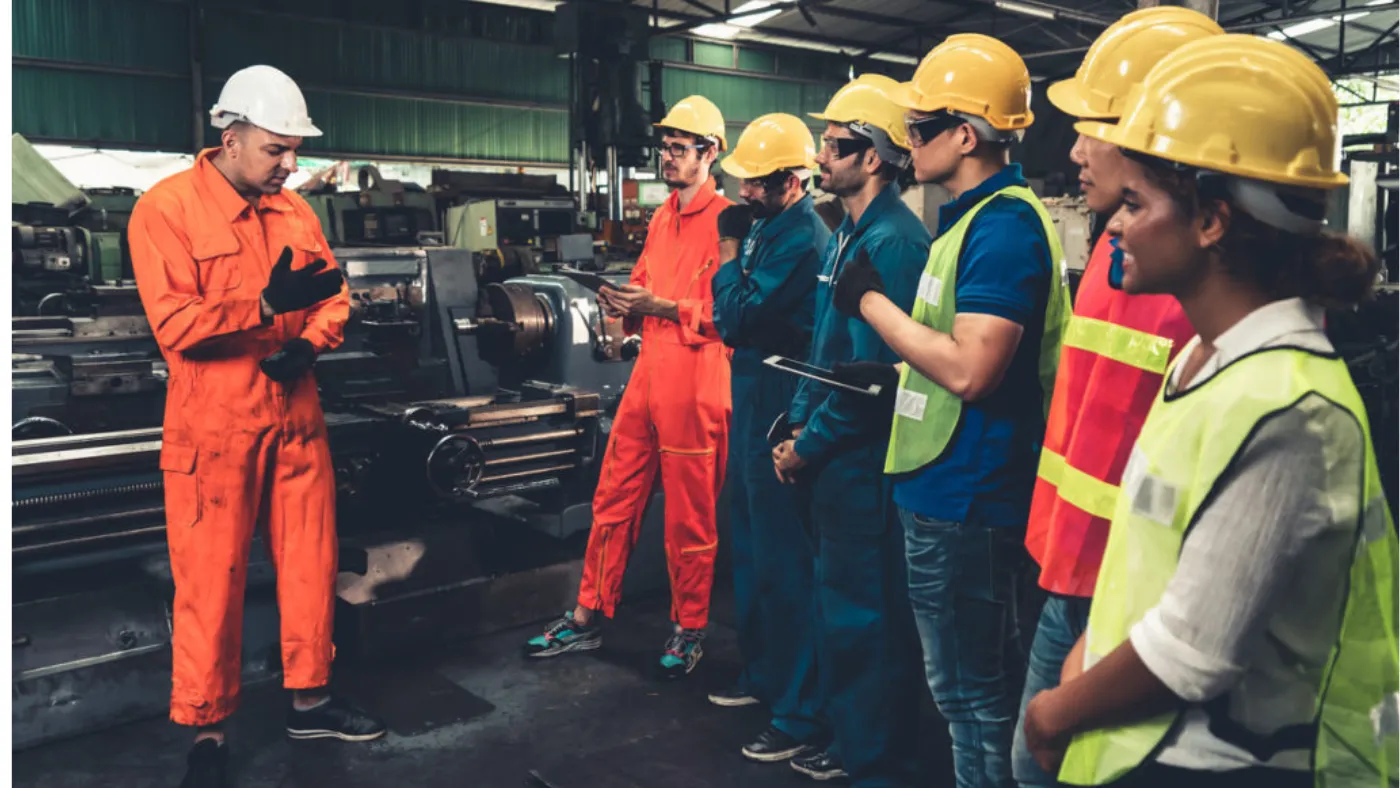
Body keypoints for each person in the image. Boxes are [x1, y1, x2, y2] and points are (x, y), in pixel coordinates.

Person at [1020, 34, 1398, 788]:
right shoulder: (1205, 358)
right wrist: (1083, 653)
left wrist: (1050, 712)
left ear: (1212, 221)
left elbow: (1193, 654)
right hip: (1139, 743)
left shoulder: (1290, 408)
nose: (1116, 226)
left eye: (1135, 203)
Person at [127, 65, 386, 788]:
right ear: (230, 135)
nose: (290, 164)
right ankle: (207, 731)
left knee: (310, 562)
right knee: (212, 577)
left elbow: (333, 294)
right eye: (277, 149)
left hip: (295, 412)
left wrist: (311, 341)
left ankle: (310, 698)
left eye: (294, 149)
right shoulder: (166, 211)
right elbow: (175, 324)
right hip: (216, 423)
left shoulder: (294, 213)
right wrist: (265, 309)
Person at [832, 35, 1072, 788]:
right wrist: (900, 362)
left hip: (965, 497)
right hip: (945, 489)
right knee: (967, 693)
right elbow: (948, 346)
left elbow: (971, 369)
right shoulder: (967, 218)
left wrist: (871, 303)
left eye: (921, 126)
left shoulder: (1002, 225)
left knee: (971, 696)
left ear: (966, 135)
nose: (907, 141)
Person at [1008, 9, 1223, 787]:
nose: (1074, 148)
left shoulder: (1206, 290)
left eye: (1093, 123)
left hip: (1135, 595)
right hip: (1072, 566)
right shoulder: (1112, 245)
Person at [524, 96, 733, 679]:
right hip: (647, 378)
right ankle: (587, 616)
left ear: (710, 152)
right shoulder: (664, 216)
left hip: (697, 381)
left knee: (689, 518)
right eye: (664, 147)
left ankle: (690, 629)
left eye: (678, 148)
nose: (666, 157)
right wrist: (619, 305)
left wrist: (661, 305)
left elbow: (734, 315)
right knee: (612, 500)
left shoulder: (730, 222)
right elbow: (642, 285)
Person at [772, 73, 929, 786]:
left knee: (865, 615)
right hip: (830, 454)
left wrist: (809, 443)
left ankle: (874, 756)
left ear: (873, 157)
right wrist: (795, 425)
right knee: (839, 608)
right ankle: (848, 733)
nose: (821, 158)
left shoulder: (895, 242)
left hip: (860, 461)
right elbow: (824, 352)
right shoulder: (847, 235)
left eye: (835, 145)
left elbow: (869, 379)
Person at [709, 113, 828, 762]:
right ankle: (764, 676)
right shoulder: (768, 226)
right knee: (751, 551)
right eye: (743, 181)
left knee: (786, 562)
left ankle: (801, 711)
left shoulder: (800, 237)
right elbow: (736, 316)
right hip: (751, 395)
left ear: (793, 179)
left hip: (782, 399)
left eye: (757, 183)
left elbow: (738, 317)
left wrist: (727, 260)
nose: (744, 194)